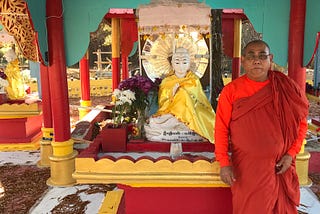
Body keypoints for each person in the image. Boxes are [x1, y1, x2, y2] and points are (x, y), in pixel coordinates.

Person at [214, 40, 309, 213]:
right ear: (243, 60)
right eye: (251, 56)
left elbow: (300, 124)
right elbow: (221, 128)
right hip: (247, 170)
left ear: (270, 59)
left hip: (280, 167)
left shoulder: (285, 88)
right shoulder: (231, 91)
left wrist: (291, 154)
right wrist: (224, 162)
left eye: (262, 56)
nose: (256, 60)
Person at [144, 47, 215, 143]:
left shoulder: (193, 80)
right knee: (154, 123)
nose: (181, 66)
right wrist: (171, 93)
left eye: (184, 62)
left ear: (189, 64)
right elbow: (162, 103)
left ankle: (189, 126)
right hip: (171, 113)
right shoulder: (167, 81)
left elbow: (200, 101)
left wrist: (183, 93)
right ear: (172, 64)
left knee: (183, 93)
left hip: (192, 114)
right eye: (177, 62)